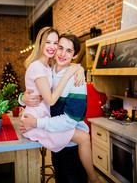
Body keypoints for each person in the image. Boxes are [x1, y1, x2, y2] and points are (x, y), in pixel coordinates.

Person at [20, 29, 101, 183]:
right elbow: (37, 91)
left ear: (75, 55)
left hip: (71, 146)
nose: (63, 54)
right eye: (60, 47)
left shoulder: (76, 81)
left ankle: (93, 178)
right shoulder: (48, 71)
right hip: (55, 140)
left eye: (69, 51)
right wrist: (22, 98)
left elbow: (70, 120)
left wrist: (36, 123)